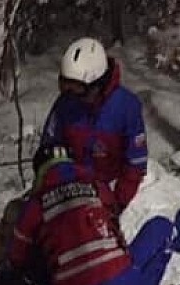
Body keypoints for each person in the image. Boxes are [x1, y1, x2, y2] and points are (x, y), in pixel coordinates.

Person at [7, 145, 174, 285]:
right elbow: (113, 223)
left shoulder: (35, 204)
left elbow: (17, 256)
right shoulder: (97, 185)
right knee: (162, 226)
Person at [41, 37, 148, 216]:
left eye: (78, 89)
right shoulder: (65, 105)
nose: (72, 95)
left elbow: (135, 164)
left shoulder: (126, 107)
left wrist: (117, 203)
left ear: (98, 85)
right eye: (67, 86)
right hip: (70, 187)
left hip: (110, 189)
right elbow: (48, 147)